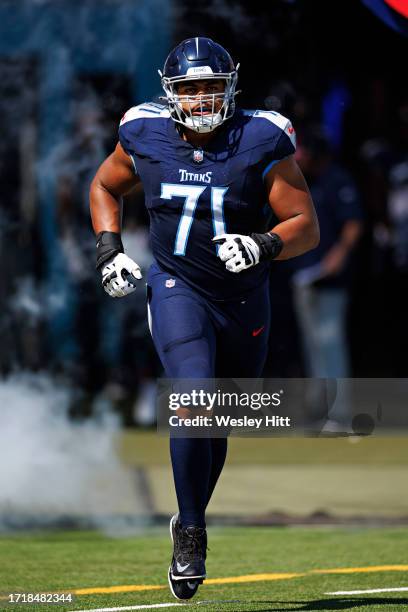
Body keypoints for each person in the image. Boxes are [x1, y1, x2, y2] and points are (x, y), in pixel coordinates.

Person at [89, 37, 319, 600]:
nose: (200, 99)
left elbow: (305, 225)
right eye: (190, 88)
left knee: (219, 418)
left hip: (244, 297)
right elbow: (103, 186)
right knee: (193, 398)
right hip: (177, 286)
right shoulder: (143, 132)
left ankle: (188, 514)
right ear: (171, 93)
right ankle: (191, 530)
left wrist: (263, 244)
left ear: (230, 87)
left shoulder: (261, 137)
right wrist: (109, 250)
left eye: (211, 87)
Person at [291, 125, 363, 428]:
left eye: (303, 151)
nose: (298, 156)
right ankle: (318, 412)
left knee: (331, 344)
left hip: (331, 279)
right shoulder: (298, 182)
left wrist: (340, 255)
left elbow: (353, 223)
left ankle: (339, 414)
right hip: (303, 277)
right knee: (312, 347)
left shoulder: (337, 179)